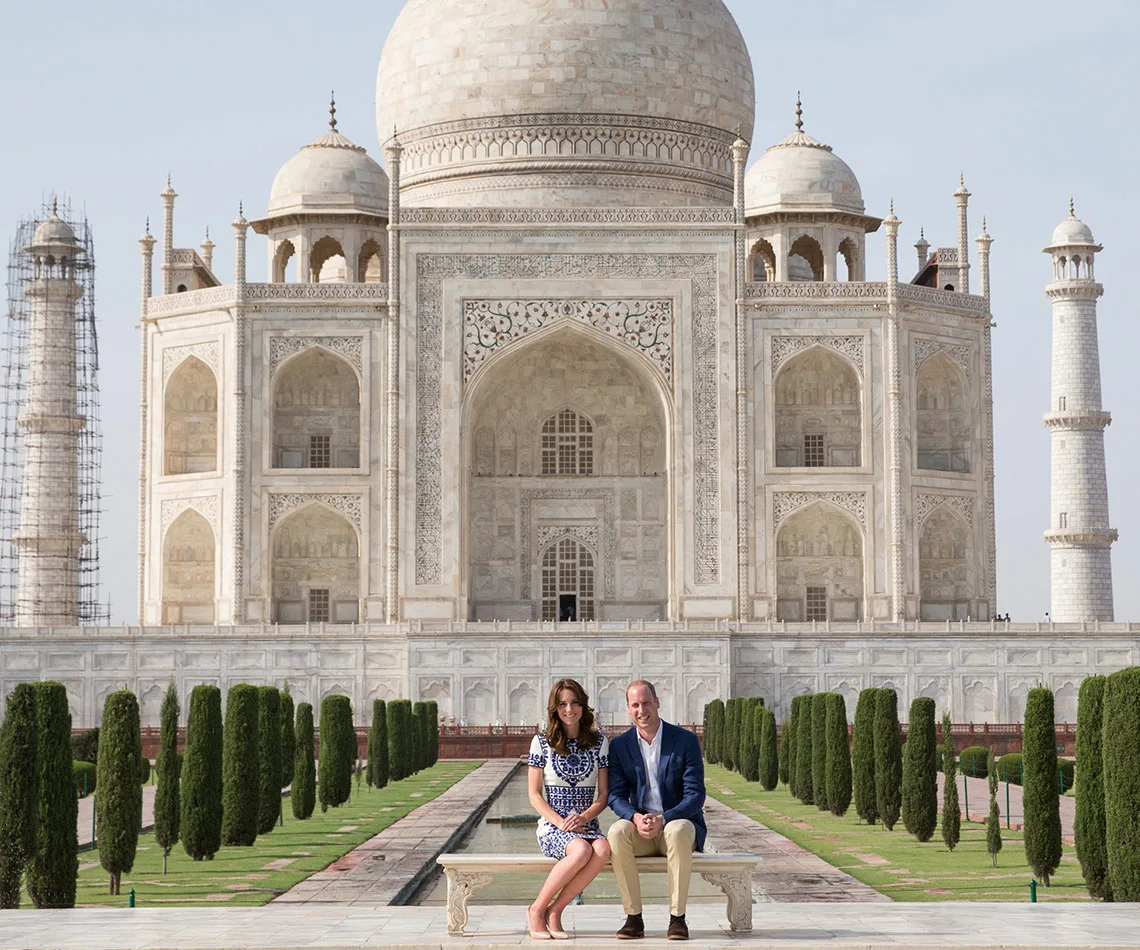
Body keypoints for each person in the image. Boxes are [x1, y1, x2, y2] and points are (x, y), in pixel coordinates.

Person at [606, 680, 706, 941]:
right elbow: (615, 796)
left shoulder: (684, 740)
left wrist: (664, 818)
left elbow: (695, 796)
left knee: (679, 828)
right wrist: (636, 818)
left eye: (646, 703)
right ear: (628, 708)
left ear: (657, 702)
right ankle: (633, 918)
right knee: (616, 832)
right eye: (635, 705)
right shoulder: (620, 746)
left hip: (674, 825)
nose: (642, 710)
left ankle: (677, 918)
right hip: (642, 828)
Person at [526, 678, 611, 940]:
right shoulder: (542, 742)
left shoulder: (599, 743)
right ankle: (537, 909)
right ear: (555, 708)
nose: (569, 709)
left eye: (574, 703)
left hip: (586, 824)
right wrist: (560, 822)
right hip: (553, 826)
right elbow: (534, 794)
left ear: (583, 706)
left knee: (603, 849)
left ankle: (556, 911)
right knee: (581, 849)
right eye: (562, 704)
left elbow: (604, 794)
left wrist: (584, 817)